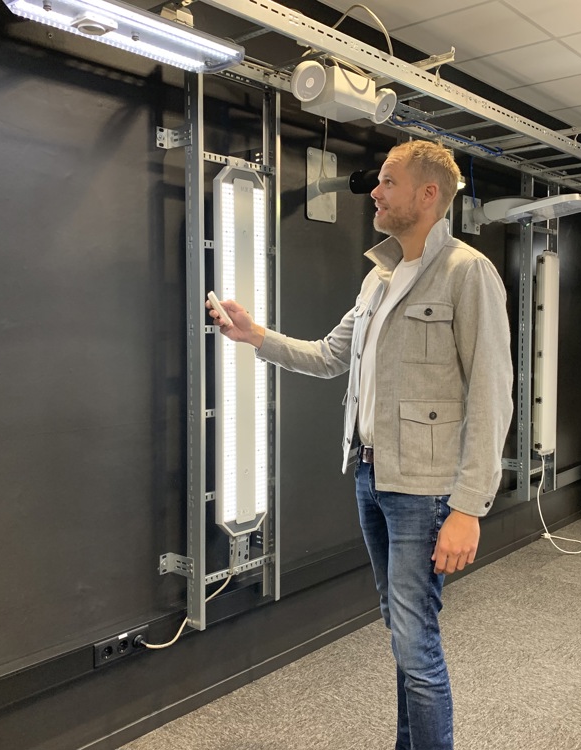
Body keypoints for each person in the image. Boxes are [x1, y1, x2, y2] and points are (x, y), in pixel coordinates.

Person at [208, 139, 513, 750]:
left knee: (416, 643)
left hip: (425, 493)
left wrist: (469, 507)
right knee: (403, 632)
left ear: (429, 195)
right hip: (372, 477)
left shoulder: (467, 272)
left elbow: (492, 394)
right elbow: (330, 357)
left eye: (388, 182)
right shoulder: (379, 278)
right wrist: (255, 336)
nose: (374, 191)